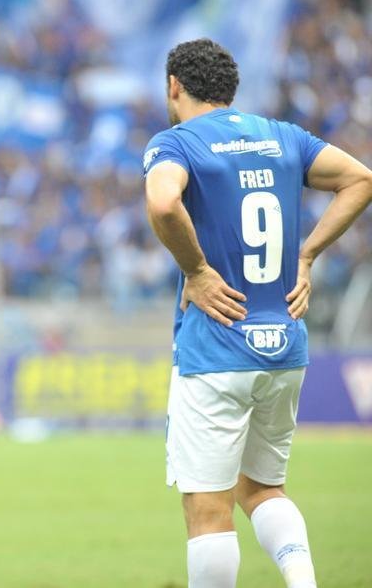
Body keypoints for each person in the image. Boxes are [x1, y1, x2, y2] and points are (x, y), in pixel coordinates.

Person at [142, 38, 372, 588]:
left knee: (208, 508)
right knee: (262, 488)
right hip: (284, 346)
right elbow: (360, 178)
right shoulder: (283, 137)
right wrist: (308, 252)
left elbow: (162, 201)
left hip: (216, 348)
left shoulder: (176, 143)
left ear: (174, 86)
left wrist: (196, 271)